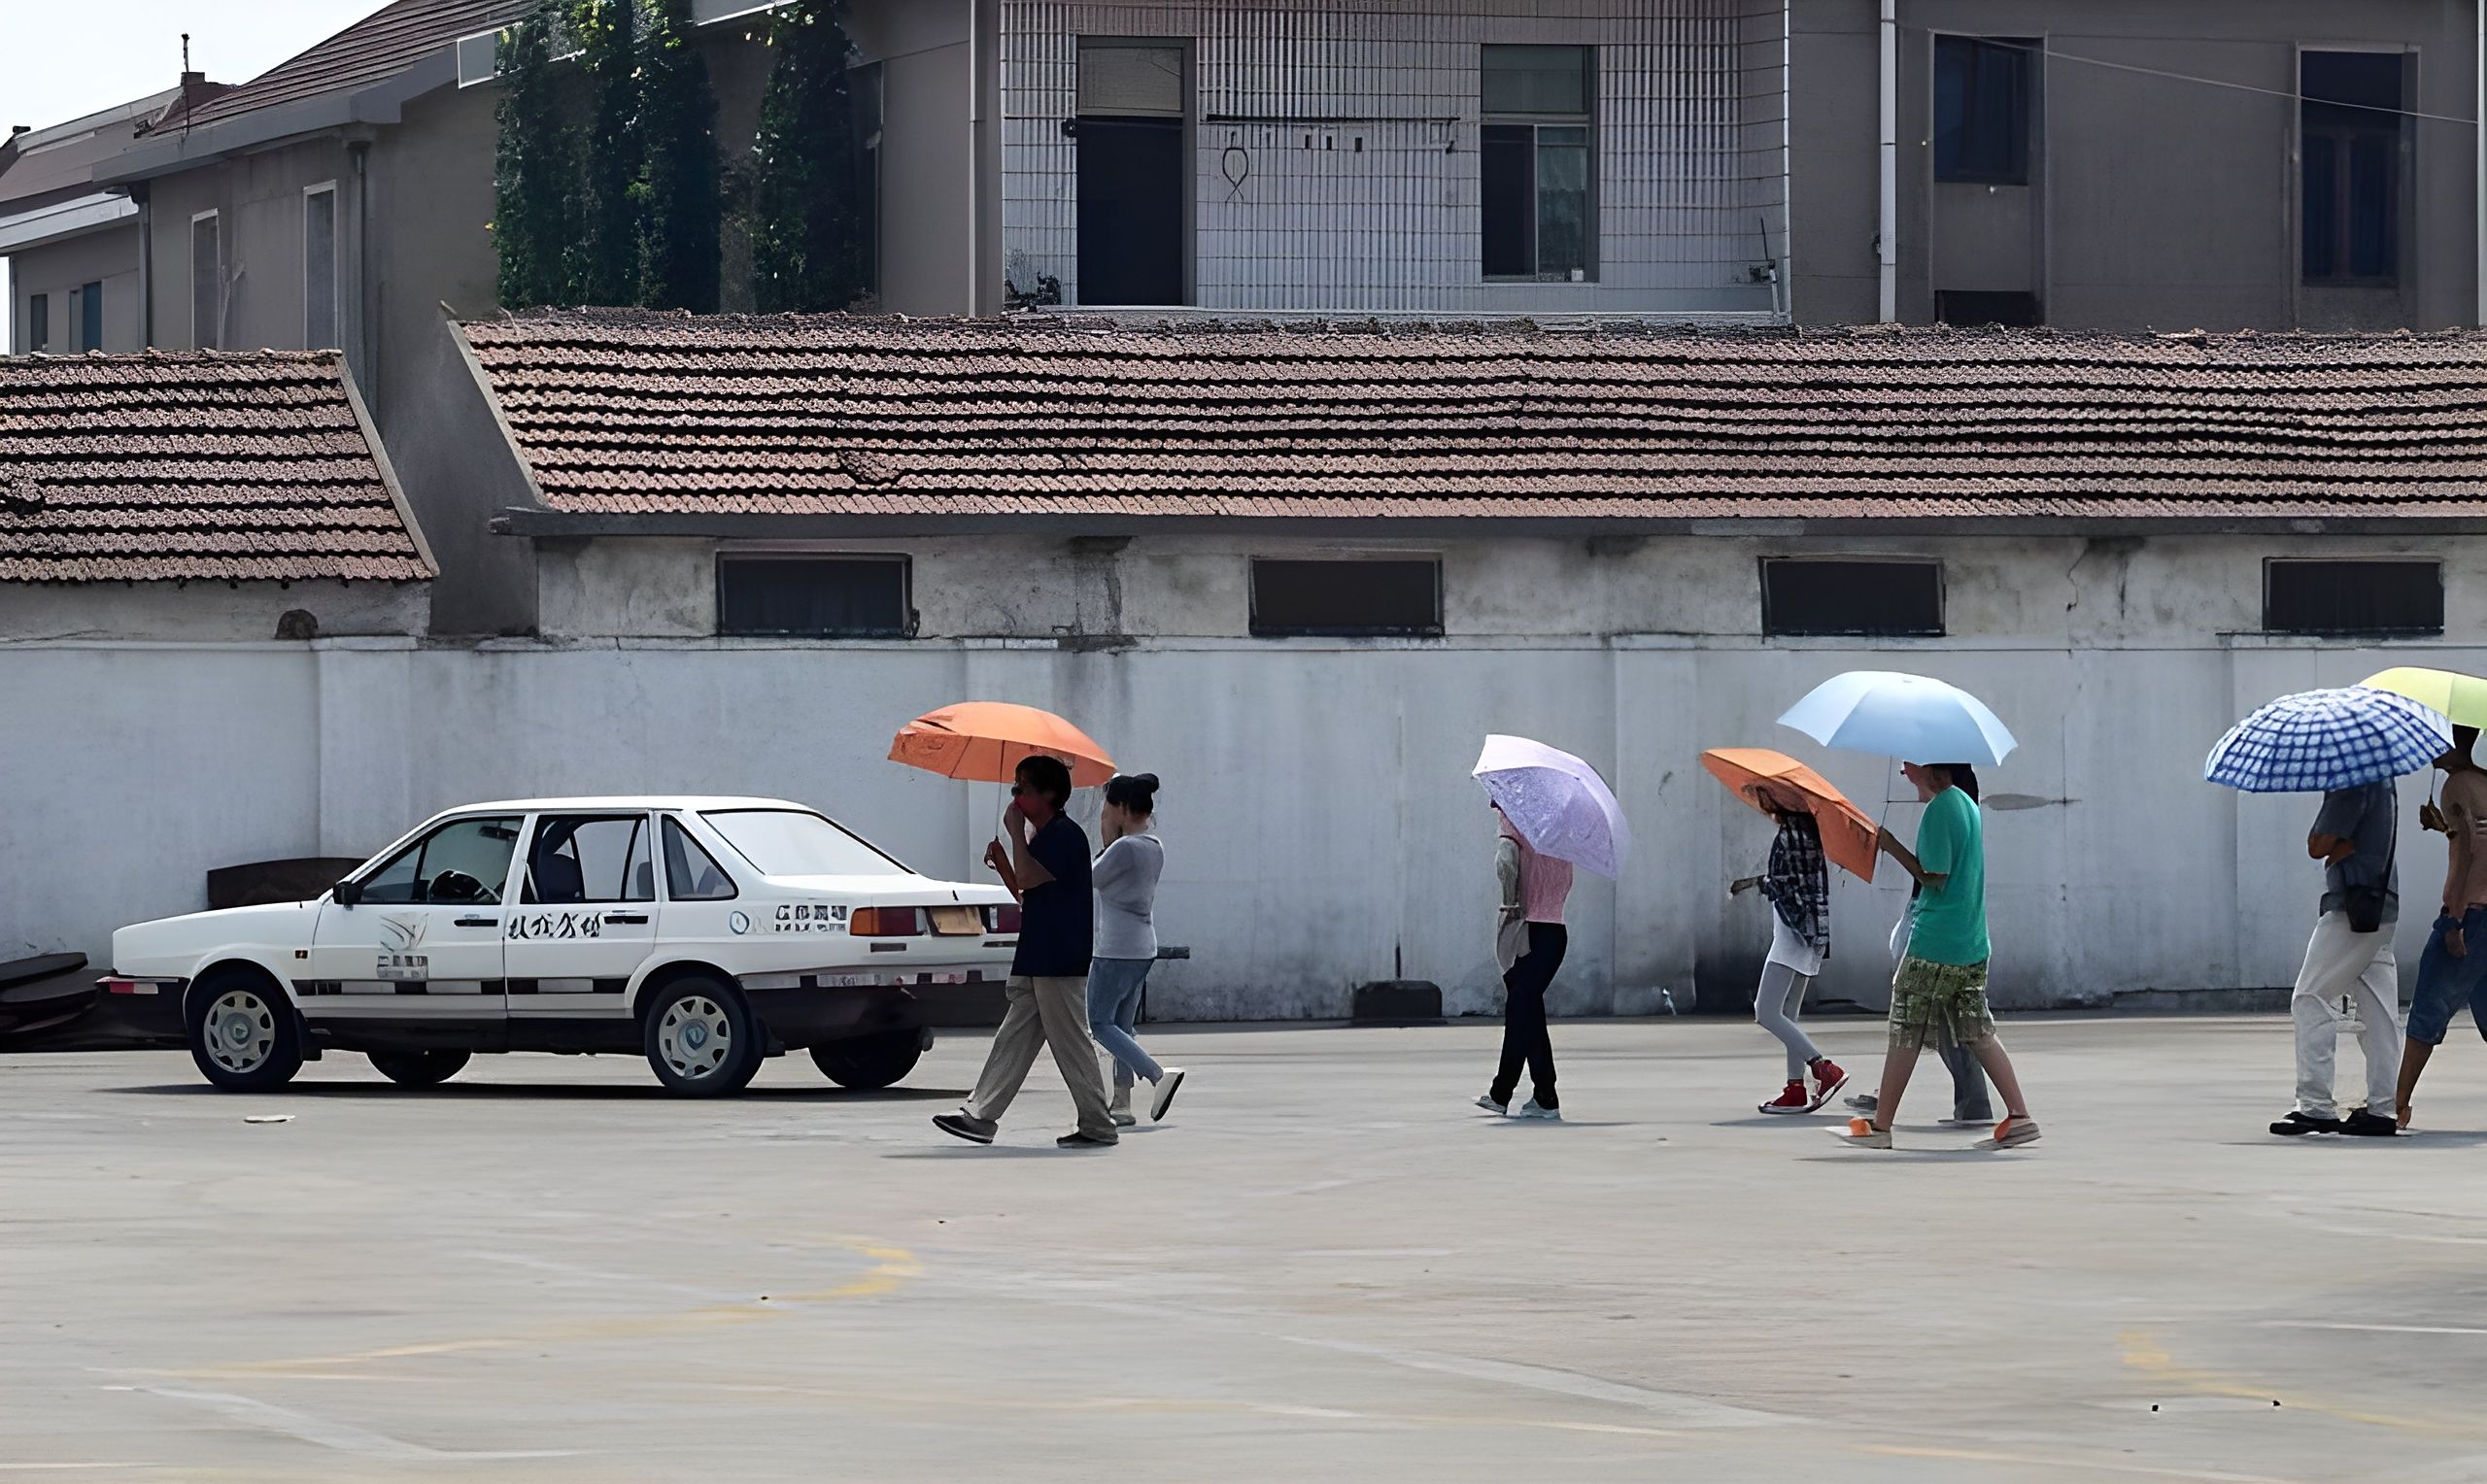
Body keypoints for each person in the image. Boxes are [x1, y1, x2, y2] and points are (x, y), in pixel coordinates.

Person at [1838, 761, 2041, 1150]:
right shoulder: (1967, 804)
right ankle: (2020, 1116)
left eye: (1910, 766)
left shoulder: (1941, 808)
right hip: (1971, 940)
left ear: (1935, 768)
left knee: (1905, 1029)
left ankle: (1881, 1127)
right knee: (1978, 1031)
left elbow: (1935, 876)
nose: (1904, 773)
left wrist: (1890, 844)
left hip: (1935, 942)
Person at [934, 756, 1119, 1149]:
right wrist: (1004, 860)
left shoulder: (1064, 836)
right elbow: (1025, 892)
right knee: (1013, 1039)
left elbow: (1030, 877)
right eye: (1015, 789)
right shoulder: (1045, 838)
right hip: (1038, 953)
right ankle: (980, 1116)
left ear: (1049, 795)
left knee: (1070, 1040)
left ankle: (1098, 1124)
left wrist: (1016, 834)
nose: (1015, 797)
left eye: (1023, 790)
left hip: (1057, 957)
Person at [2272, 775, 2402, 1137]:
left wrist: (2335, 846)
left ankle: (2315, 1106)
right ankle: (2382, 1109)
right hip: (2381, 902)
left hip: (2351, 907)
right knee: (2378, 1013)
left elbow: (2318, 844)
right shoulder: (2383, 779)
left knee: (2310, 997)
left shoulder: (2350, 781)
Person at [1730, 789, 1848, 1113]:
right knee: (1789, 1017)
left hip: (1792, 934)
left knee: (1765, 1011)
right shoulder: (1810, 832)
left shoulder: (1790, 835)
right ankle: (1795, 1089)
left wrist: (1761, 884)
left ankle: (1824, 1068)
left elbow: (1784, 884)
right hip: (1810, 934)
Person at [1087, 772, 1185, 1127]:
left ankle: (1158, 1075)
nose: (1105, 812)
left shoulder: (1124, 848)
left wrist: (1104, 832)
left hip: (1115, 948)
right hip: (1143, 948)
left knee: (1099, 1022)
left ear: (1123, 808)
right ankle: (1122, 1102)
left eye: (1108, 806)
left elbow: (1088, 879)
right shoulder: (1154, 847)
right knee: (1122, 1028)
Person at [2400, 727, 2487, 1128]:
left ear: (2455, 745)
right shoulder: (2483, 782)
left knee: (2428, 1010)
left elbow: (2467, 853)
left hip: (2470, 914)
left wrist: (2453, 919)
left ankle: (2396, 1104)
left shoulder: (2456, 787)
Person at [1477, 806, 1573, 1121]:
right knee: (1528, 1010)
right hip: (1555, 930)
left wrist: (1510, 903)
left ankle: (1501, 1092)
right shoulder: (1560, 831)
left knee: (1521, 1005)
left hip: (1524, 926)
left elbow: (1505, 861)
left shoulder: (1514, 818)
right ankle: (1545, 1096)